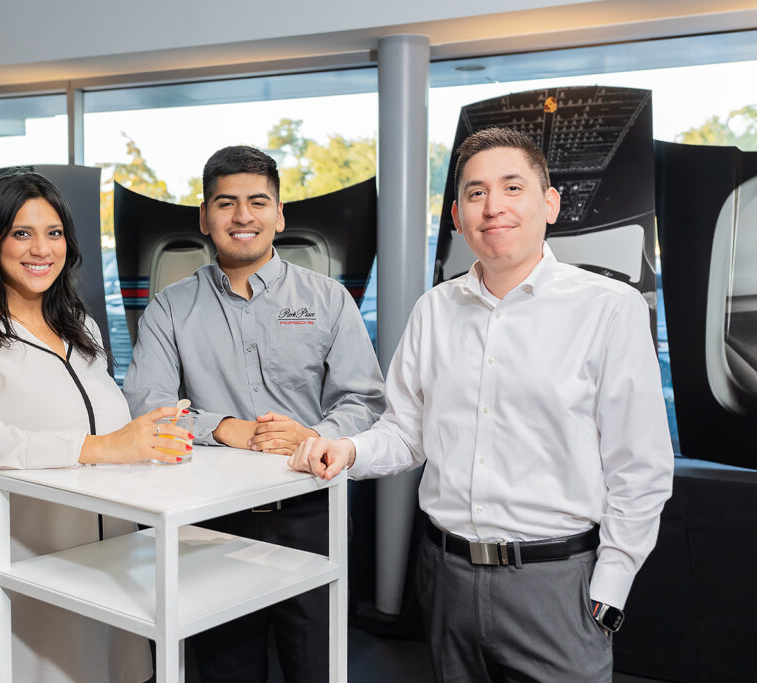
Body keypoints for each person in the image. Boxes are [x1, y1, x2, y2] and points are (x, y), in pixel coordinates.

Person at [289, 127, 674, 682]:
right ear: (456, 216)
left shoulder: (609, 309)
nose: (493, 207)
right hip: (445, 576)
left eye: (512, 187)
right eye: (475, 193)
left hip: (557, 584)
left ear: (550, 203)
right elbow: (405, 432)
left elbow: (639, 468)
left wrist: (611, 584)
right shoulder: (433, 311)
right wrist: (345, 449)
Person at [123, 145, 385, 683]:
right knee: (227, 671)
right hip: (210, 524)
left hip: (313, 514)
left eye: (257, 201)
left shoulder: (329, 300)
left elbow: (364, 401)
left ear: (279, 213)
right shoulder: (170, 308)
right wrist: (224, 429)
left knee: (317, 667)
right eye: (226, 203)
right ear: (205, 216)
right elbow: (146, 408)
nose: (243, 216)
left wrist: (313, 436)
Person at [0, 168, 190, 682]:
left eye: (54, 232)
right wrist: (101, 447)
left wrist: (146, 433)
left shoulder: (80, 326)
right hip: (17, 545)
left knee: (115, 668)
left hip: (111, 547)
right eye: (21, 233)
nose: (40, 248)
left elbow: (96, 418)